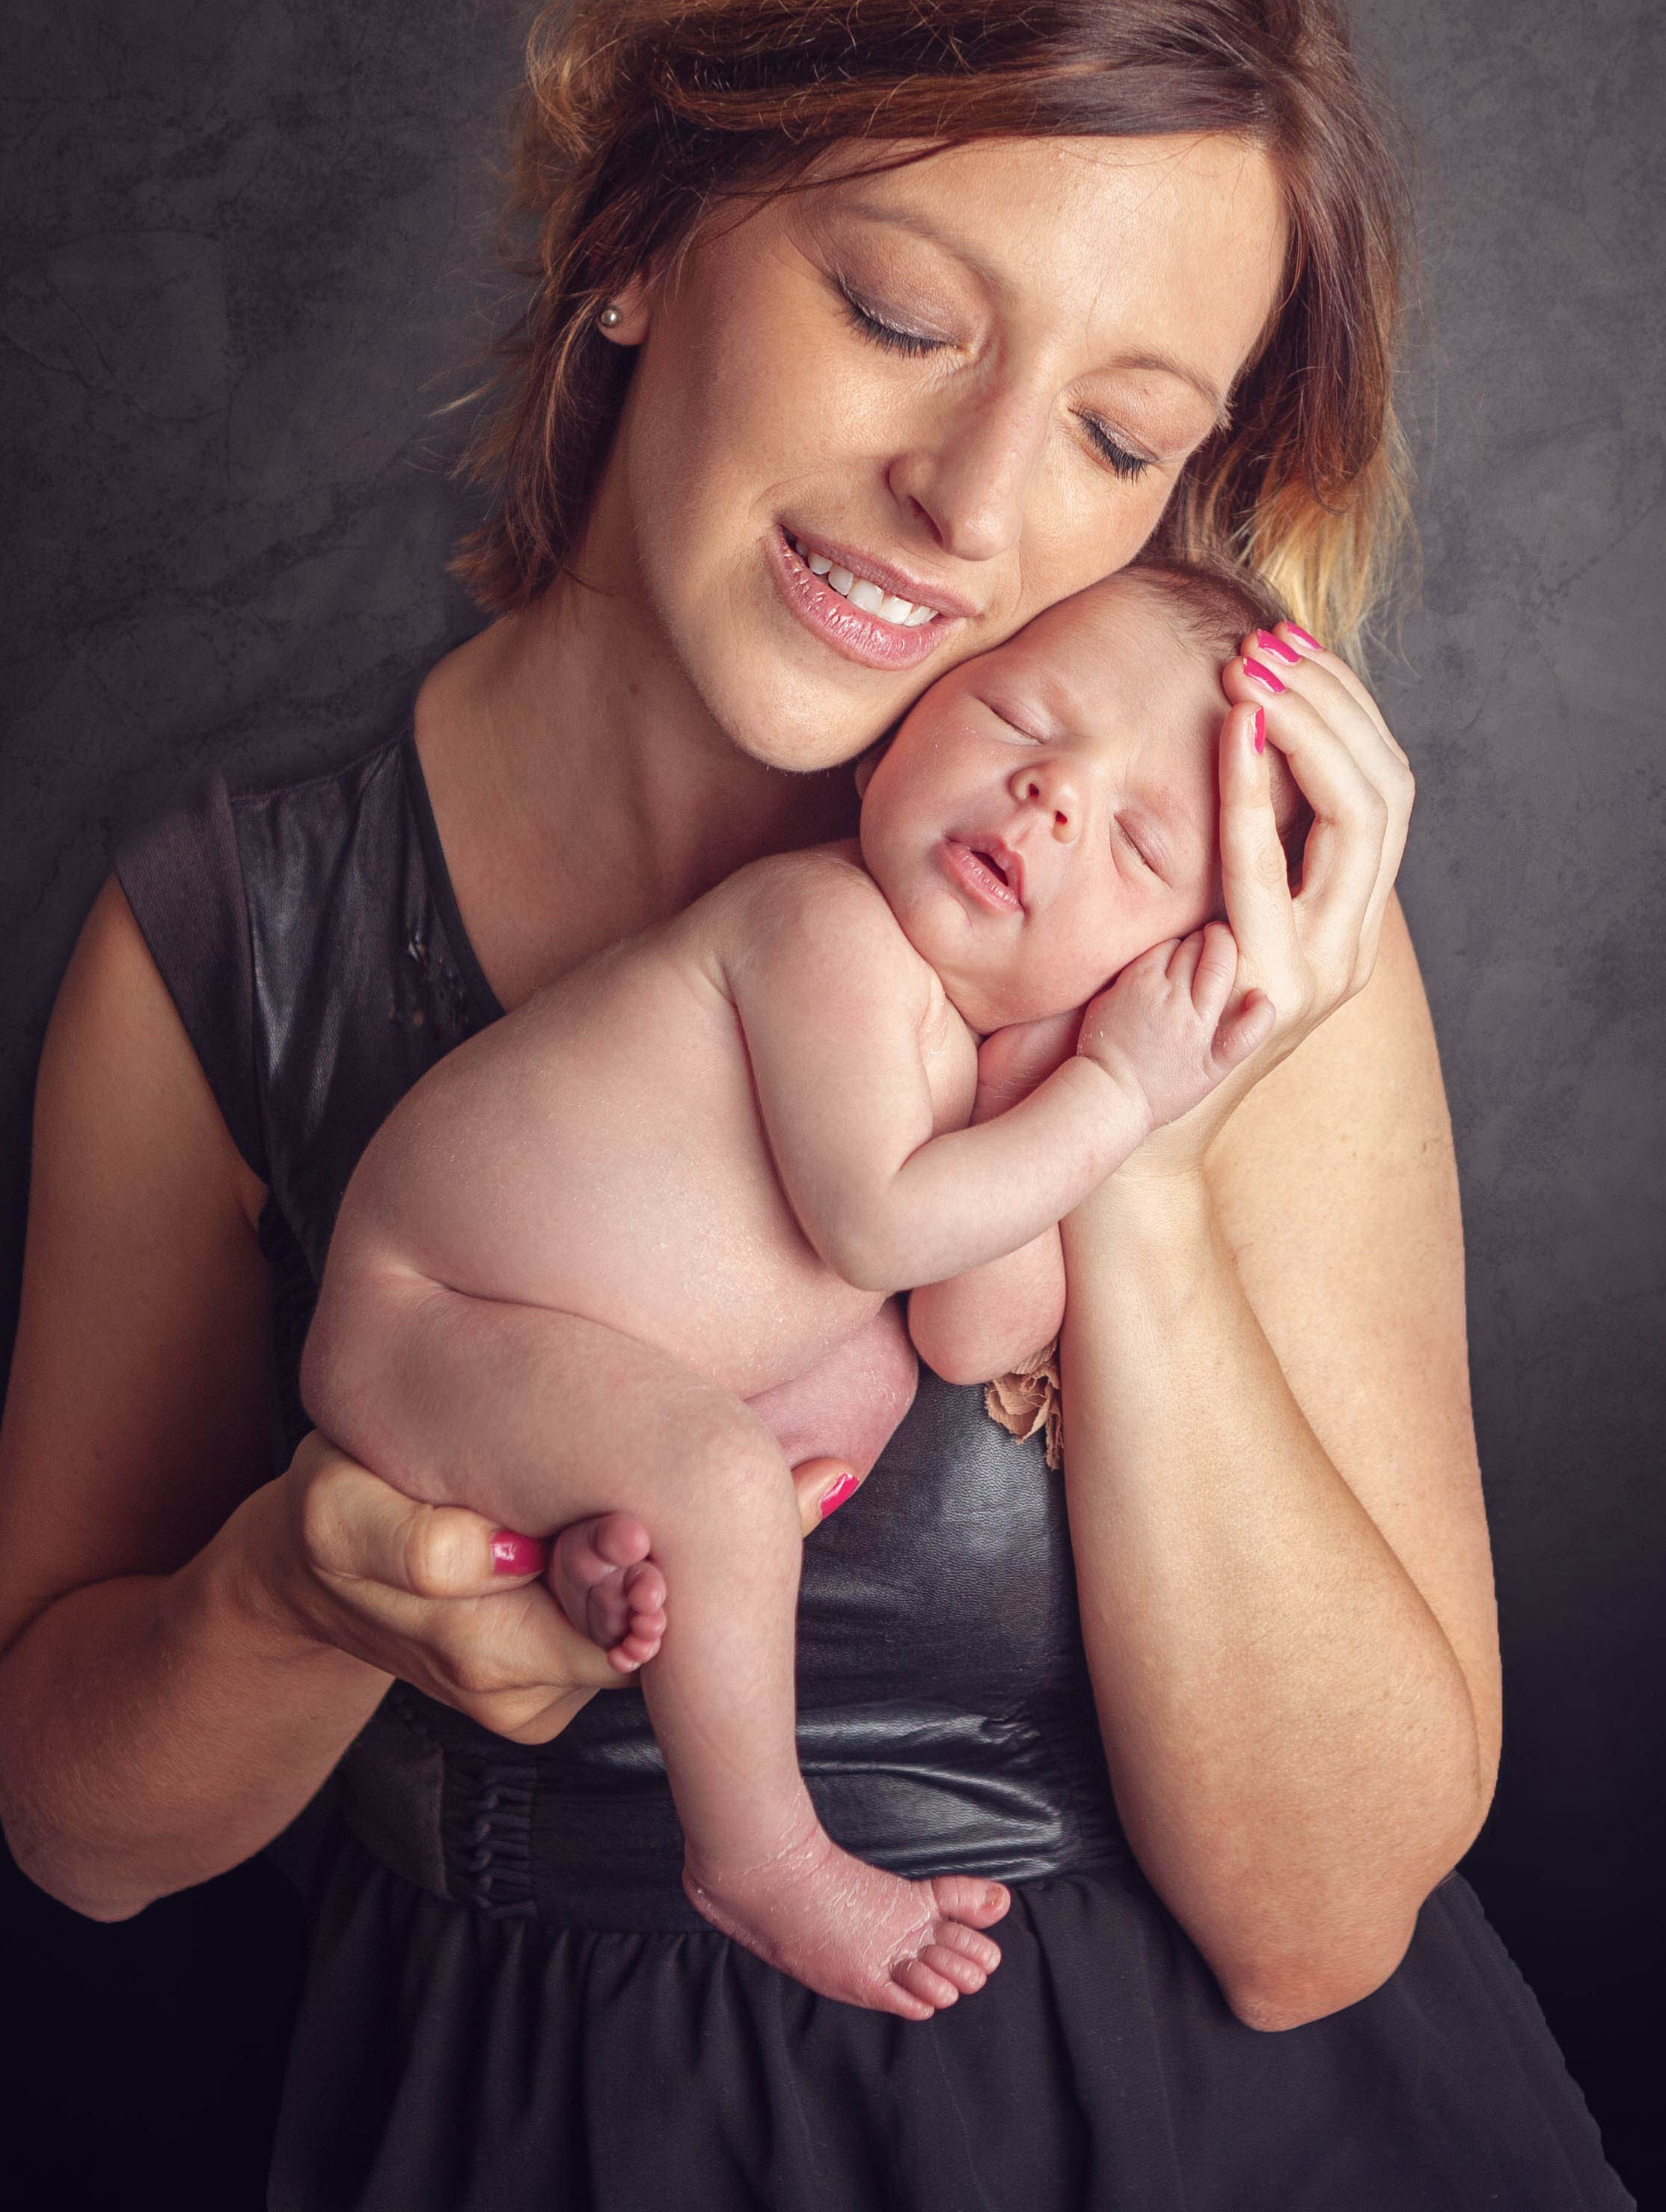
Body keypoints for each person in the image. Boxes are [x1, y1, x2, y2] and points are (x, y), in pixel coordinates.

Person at [0, 0, 1629, 2207]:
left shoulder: (1199, 951)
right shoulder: (232, 940)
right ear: (637, 233)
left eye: (1116, 431)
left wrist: (1144, 1138)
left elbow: (1314, 1920)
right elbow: (71, 1826)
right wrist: (292, 1591)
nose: (971, 497)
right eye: (897, 313)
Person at [301, 564, 1311, 2020]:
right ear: (902, 723)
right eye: (1021, 718)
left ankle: (604, 1544)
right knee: (723, 1463)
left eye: (1140, 845)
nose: (1051, 801)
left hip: (568, 1373)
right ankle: (762, 1857)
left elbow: (974, 1325)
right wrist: (1106, 1090)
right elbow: (880, 1223)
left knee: (867, 1382)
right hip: (430, 1314)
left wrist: (1062, 1065)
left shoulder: (980, 1063)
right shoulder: (819, 926)